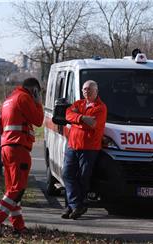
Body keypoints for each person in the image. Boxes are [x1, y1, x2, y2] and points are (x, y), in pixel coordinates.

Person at [0, 77, 43, 236]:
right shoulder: (24, 97)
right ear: (34, 90)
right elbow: (38, 120)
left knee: (12, 190)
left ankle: (18, 226)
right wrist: (38, 102)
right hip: (18, 148)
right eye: (38, 92)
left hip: (7, 147)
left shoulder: (9, 99)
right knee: (17, 189)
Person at [61, 80, 107, 220]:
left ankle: (71, 207)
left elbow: (92, 124)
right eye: (85, 89)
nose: (86, 91)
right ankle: (75, 205)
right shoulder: (78, 104)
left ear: (96, 91)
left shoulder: (101, 107)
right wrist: (82, 118)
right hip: (73, 145)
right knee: (67, 174)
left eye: (90, 89)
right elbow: (67, 115)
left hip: (89, 148)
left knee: (83, 178)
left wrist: (76, 120)